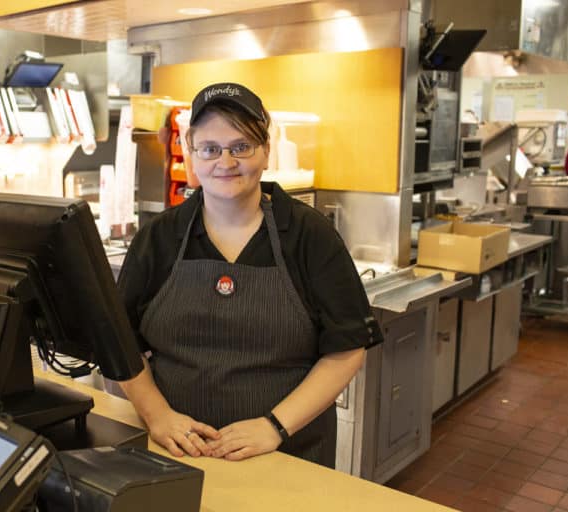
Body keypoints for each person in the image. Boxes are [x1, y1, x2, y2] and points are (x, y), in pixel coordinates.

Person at [117, 82, 380, 467]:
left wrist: (274, 427)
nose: (225, 162)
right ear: (191, 152)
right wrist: (158, 416)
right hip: (175, 452)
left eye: (241, 147)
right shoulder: (160, 237)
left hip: (288, 455)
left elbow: (347, 350)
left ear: (266, 151)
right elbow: (120, 342)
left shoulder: (309, 235)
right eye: (210, 149)